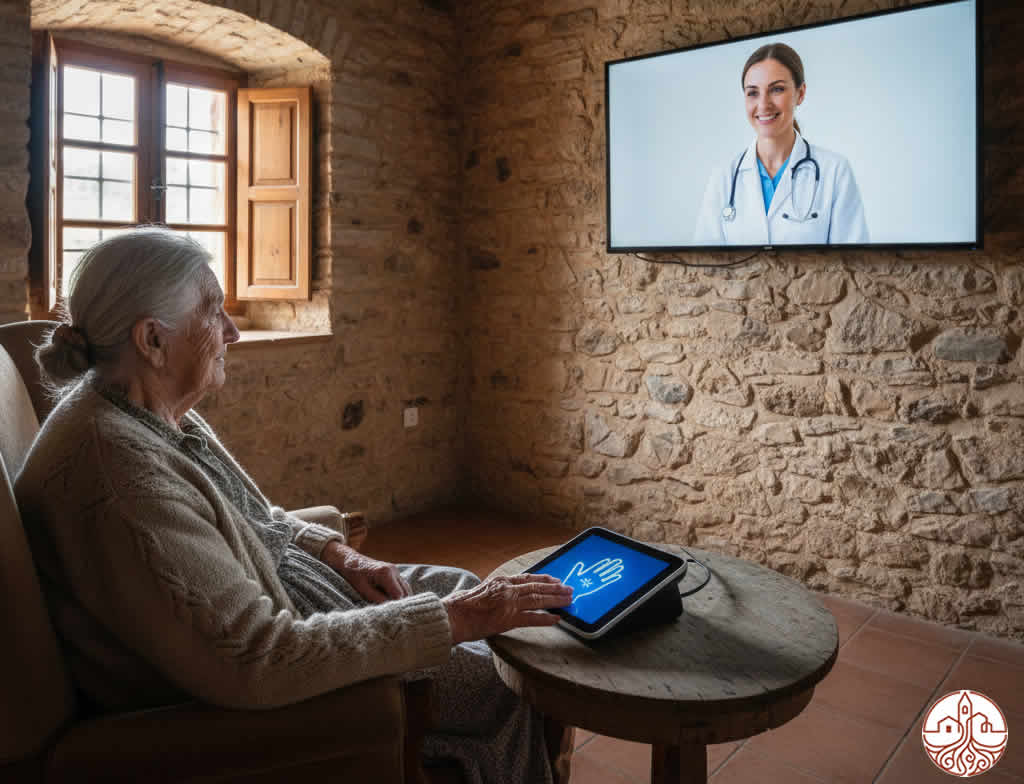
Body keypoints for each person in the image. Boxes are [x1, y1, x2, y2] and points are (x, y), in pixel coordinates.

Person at [15, 228, 573, 784]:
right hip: (298, 661)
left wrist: (342, 556)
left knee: (468, 589)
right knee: (508, 679)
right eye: (213, 312)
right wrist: (456, 618)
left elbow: (253, 516)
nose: (232, 332)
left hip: (307, 595)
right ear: (152, 340)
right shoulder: (121, 480)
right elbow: (258, 658)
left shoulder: (144, 407)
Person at [693, 42, 868, 246]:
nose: (763, 104)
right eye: (753, 93)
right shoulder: (724, 176)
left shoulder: (835, 171)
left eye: (776, 89)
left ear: (800, 94)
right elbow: (704, 266)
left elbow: (855, 265)